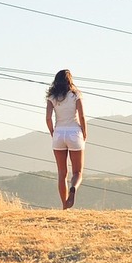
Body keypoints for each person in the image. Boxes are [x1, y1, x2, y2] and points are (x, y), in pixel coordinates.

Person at [44, 69, 87, 209]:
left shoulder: (52, 97)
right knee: (77, 172)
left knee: (62, 173)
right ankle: (73, 188)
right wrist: (84, 132)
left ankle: (64, 206)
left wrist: (52, 132)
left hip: (59, 133)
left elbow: (48, 118)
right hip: (74, 132)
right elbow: (81, 117)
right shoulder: (76, 95)